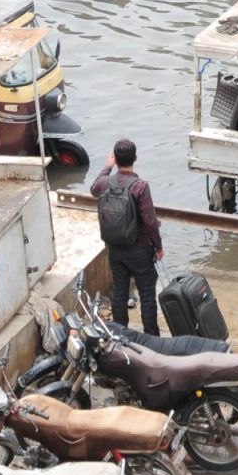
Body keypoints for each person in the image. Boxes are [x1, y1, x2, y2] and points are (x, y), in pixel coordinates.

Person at [90, 140, 164, 335]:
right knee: (147, 294)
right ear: (135, 158)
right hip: (139, 249)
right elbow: (149, 221)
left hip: (115, 248)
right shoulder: (140, 186)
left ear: (115, 159)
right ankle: (151, 336)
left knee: (120, 292)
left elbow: (93, 189)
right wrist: (158, 246)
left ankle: (120, 334)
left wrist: (107, 167)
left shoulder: (106, 183)